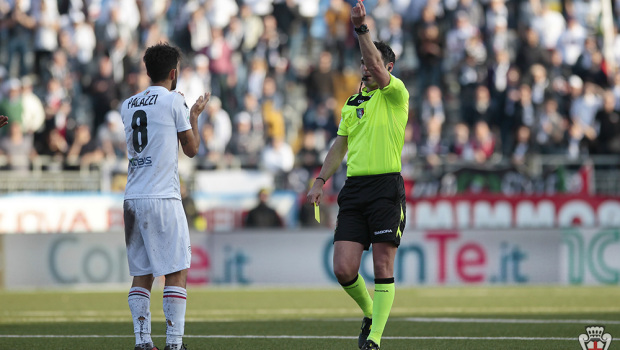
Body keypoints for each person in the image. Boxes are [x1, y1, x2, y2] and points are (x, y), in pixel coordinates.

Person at [306, 2, 409, 349]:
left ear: (387, 67)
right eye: (363, 61)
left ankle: (374, 340)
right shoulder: (351, 103)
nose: (365, 66)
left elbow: (379, 70)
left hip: (385, 188)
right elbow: (339, 146)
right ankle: (369, 313)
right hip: (355, 188)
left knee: (383, 263)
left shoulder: (395, 94)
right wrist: (320, 181)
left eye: (372, 62)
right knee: (343, 268)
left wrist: (361, 28)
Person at [121, 42, 210, 350]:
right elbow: (192, 149)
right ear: (174, 72)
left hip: (132, 197)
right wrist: (194, 114)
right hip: (163, 196)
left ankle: (142, 342)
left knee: (141, 273)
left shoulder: (128, 104)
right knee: (176, 271)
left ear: (148, 71)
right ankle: (174, 344)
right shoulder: (174, 101)